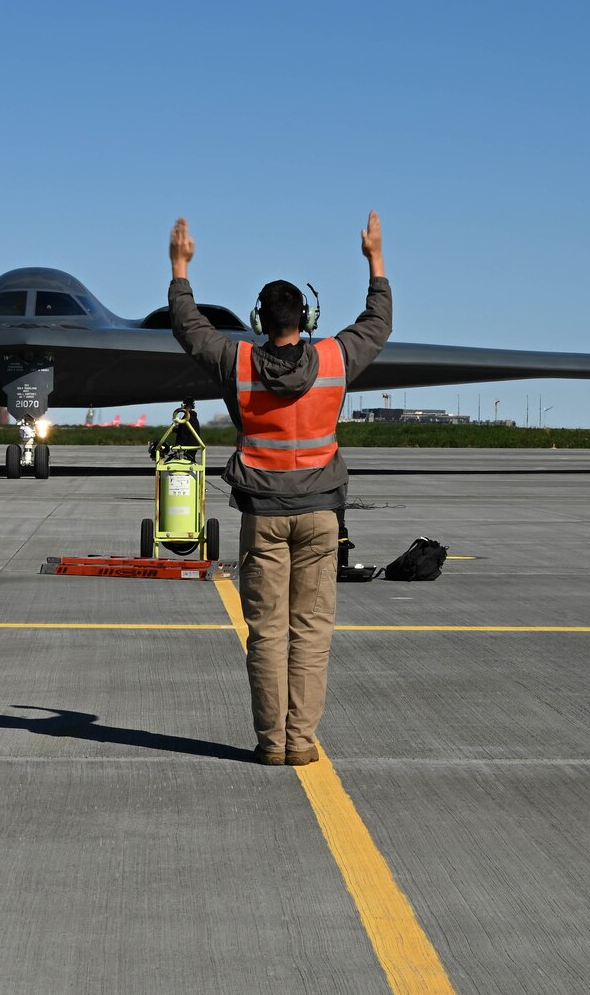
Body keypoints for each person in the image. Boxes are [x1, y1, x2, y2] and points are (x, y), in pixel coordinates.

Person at [167, 212, 391, 766]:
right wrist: (375, 260)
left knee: (266, 634)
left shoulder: (238, 362)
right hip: (321, 517)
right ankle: (301, 742)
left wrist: (180, 267)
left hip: (262, 518)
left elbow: (189, 327)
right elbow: (378, 322)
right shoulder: (336, 358)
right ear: (307, 319)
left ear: (258, 320)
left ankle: (271, 743)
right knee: (311, 633)